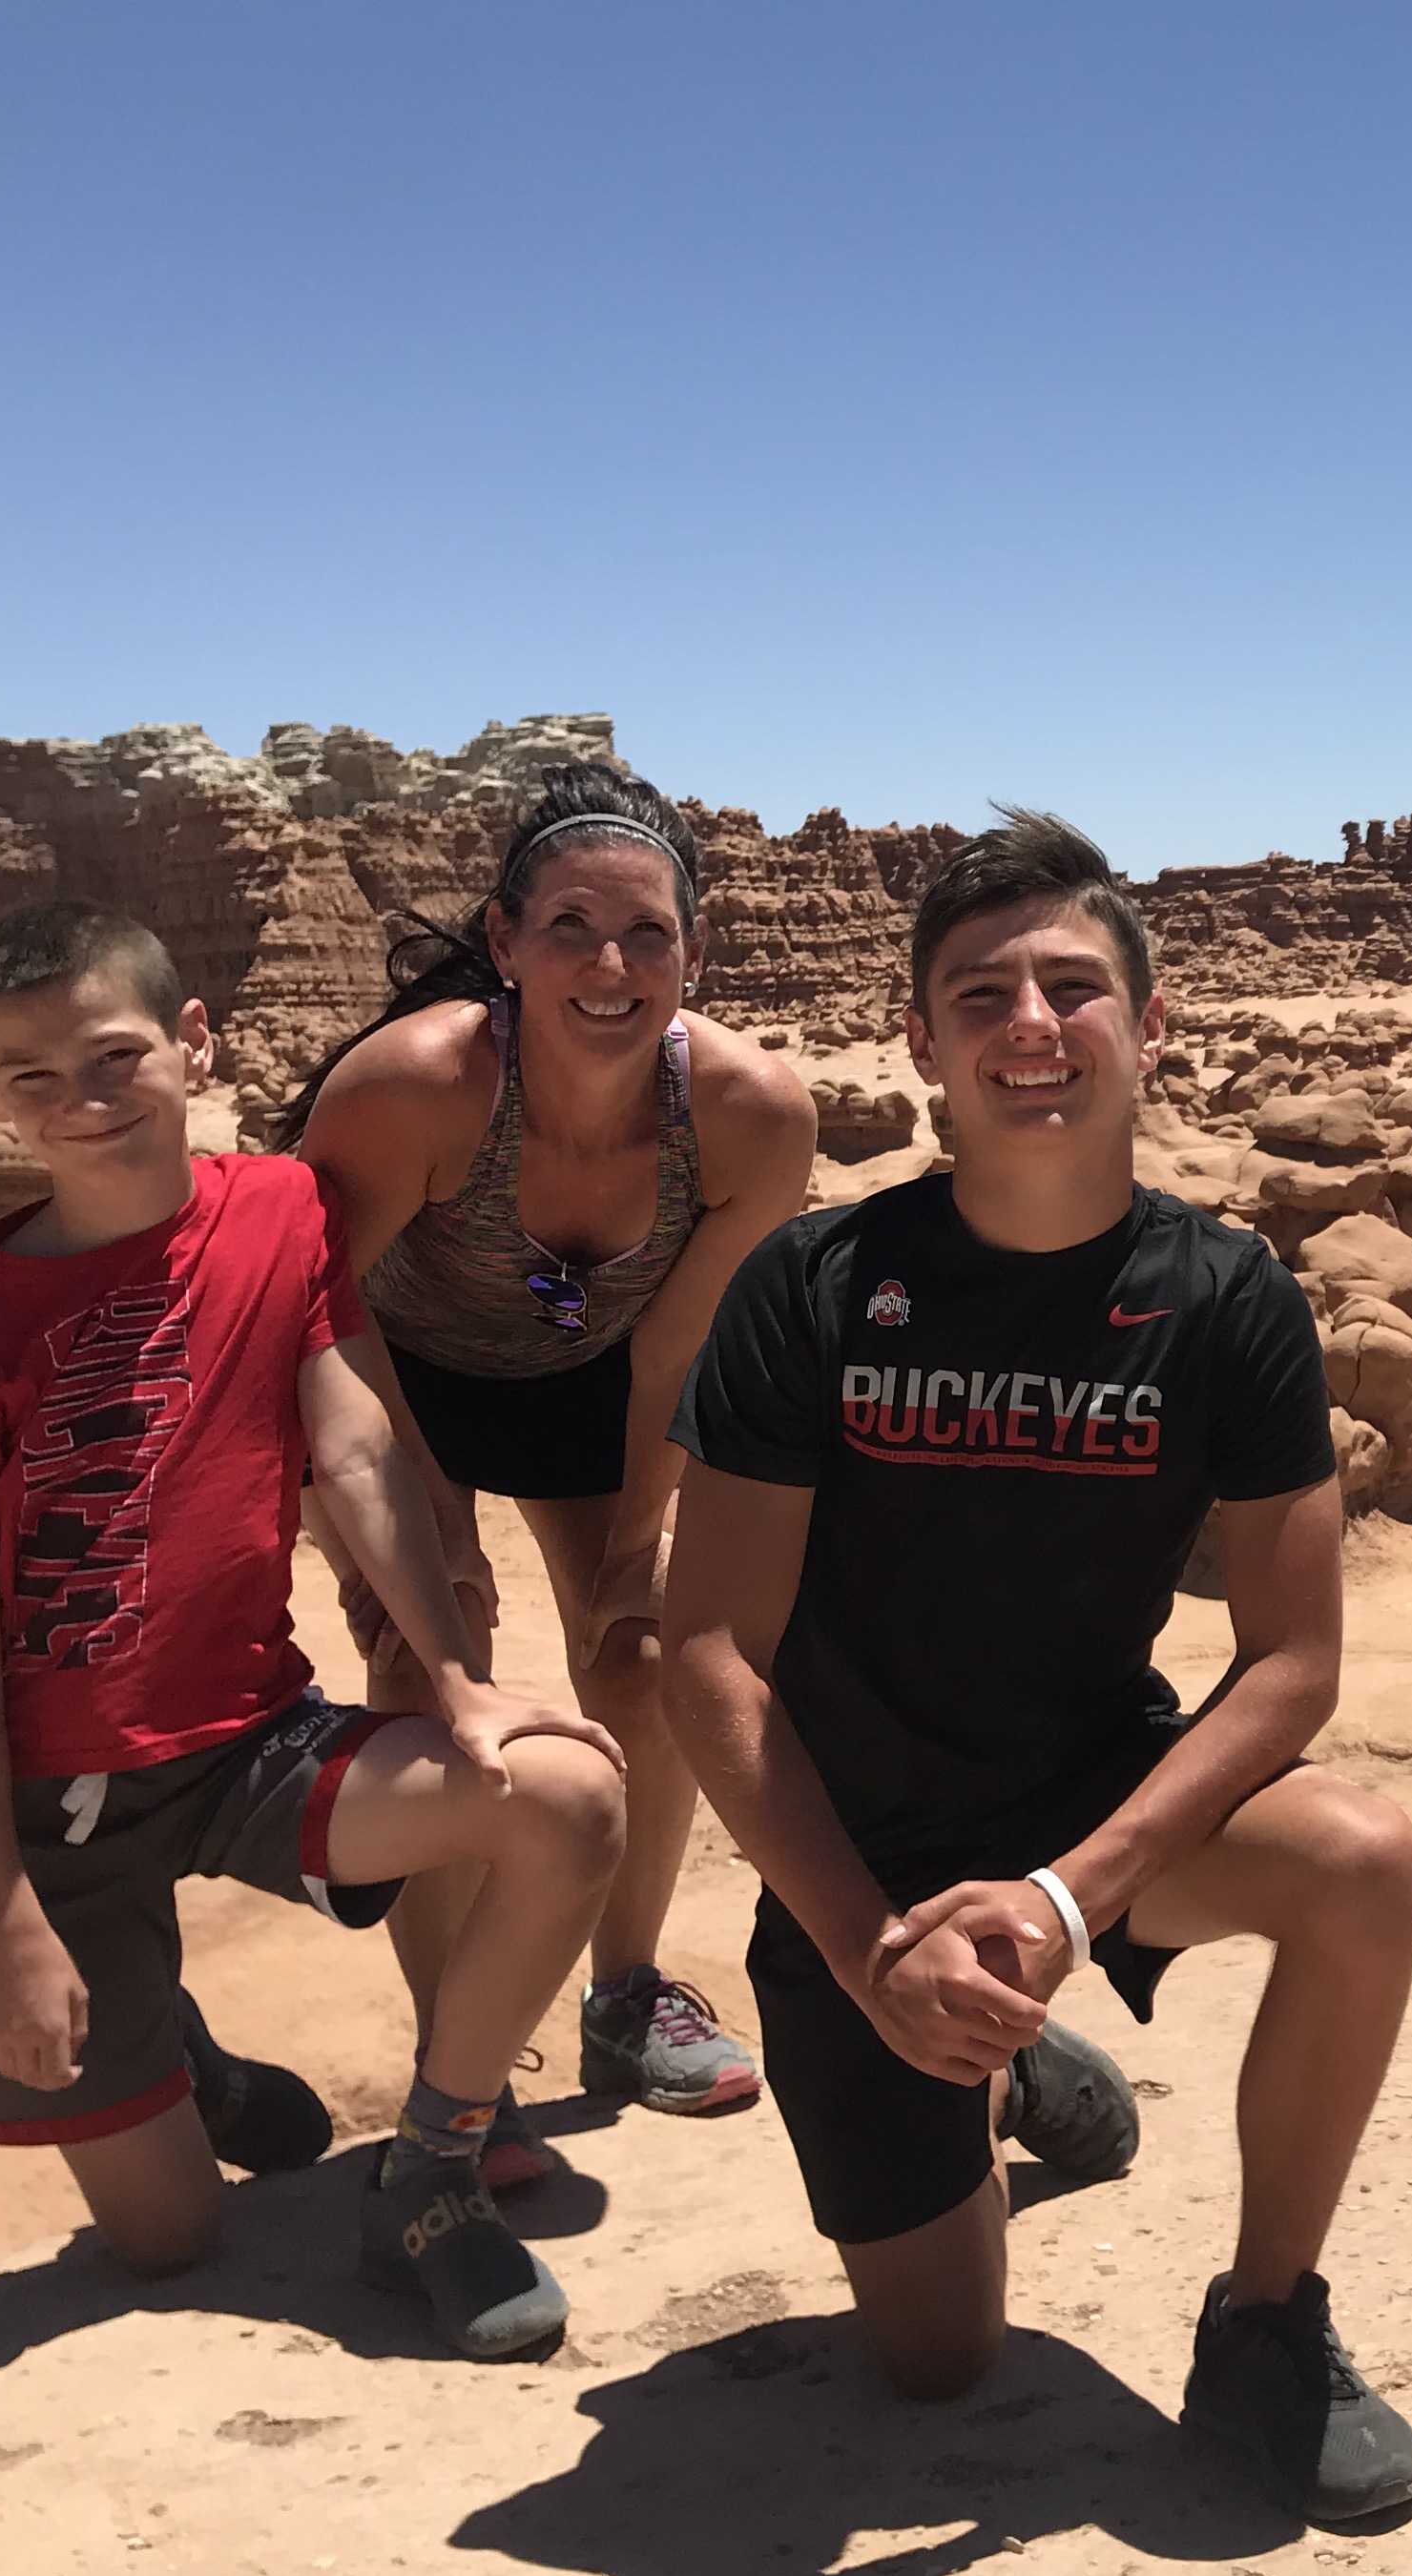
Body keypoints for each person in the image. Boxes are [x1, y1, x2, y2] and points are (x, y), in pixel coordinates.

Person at [663, 810, 1412, 2521]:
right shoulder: (815, 1287)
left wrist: (1070, 1900)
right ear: (920, 1042)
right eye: (980, 994)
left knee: (1363, 1859)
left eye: (1074, 988)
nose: (1031, 1024)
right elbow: (708, 1652)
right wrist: (866, 1948)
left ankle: (1267, 2323)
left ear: (1149, 1029)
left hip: (1086, 1808)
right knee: (942, 2360)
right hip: (858, 1854)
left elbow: (1293, 1662)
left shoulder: (1227, 1299)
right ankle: (1009, 2061)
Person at [0, 901, 625, 2359]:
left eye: (114, 1055)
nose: (83, 1099)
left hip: (251, 1740)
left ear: (192, 1040)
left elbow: (357, 1449)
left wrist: (459, 1683)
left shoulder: (278, 1213)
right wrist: (3, 1915)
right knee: (167, 2242)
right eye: (32, 1075)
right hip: (49, 1808)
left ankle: (434, 2170)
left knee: (566, 1795)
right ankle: (178, 2062)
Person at [278, 761, 815, 2163]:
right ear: (505, 940)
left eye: (647, 933)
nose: (610, 965)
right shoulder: (417, 1087)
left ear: (695, 952)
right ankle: (459, 2055)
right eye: (570, 926)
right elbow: (324, 1321)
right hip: (399, 1376)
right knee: (422, 1659)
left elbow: (673, 1352)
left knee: (646, 1658)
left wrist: (635, 1558)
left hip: (596, 1378)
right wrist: (424, 1541)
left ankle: (626, 1995)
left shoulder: (752, 1114)